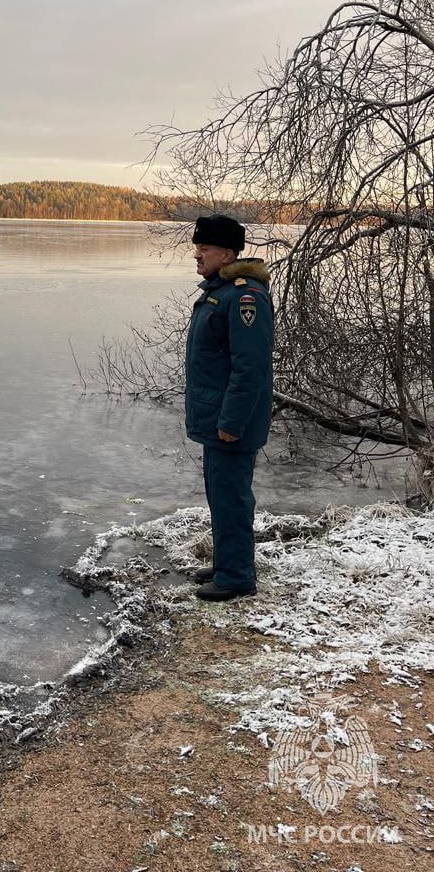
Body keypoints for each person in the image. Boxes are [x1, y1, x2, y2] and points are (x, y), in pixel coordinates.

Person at [185, 214, 274, 601]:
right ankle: (227, 563)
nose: (197, 256)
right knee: (220, 496)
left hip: (230, 422)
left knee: (232, 498)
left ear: (227, 253)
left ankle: (237, 578)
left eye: (203, 249)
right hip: (216, 417)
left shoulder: (244, 297)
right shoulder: (220, 292)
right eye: (197, 249)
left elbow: (250, 367)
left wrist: (232, 422)